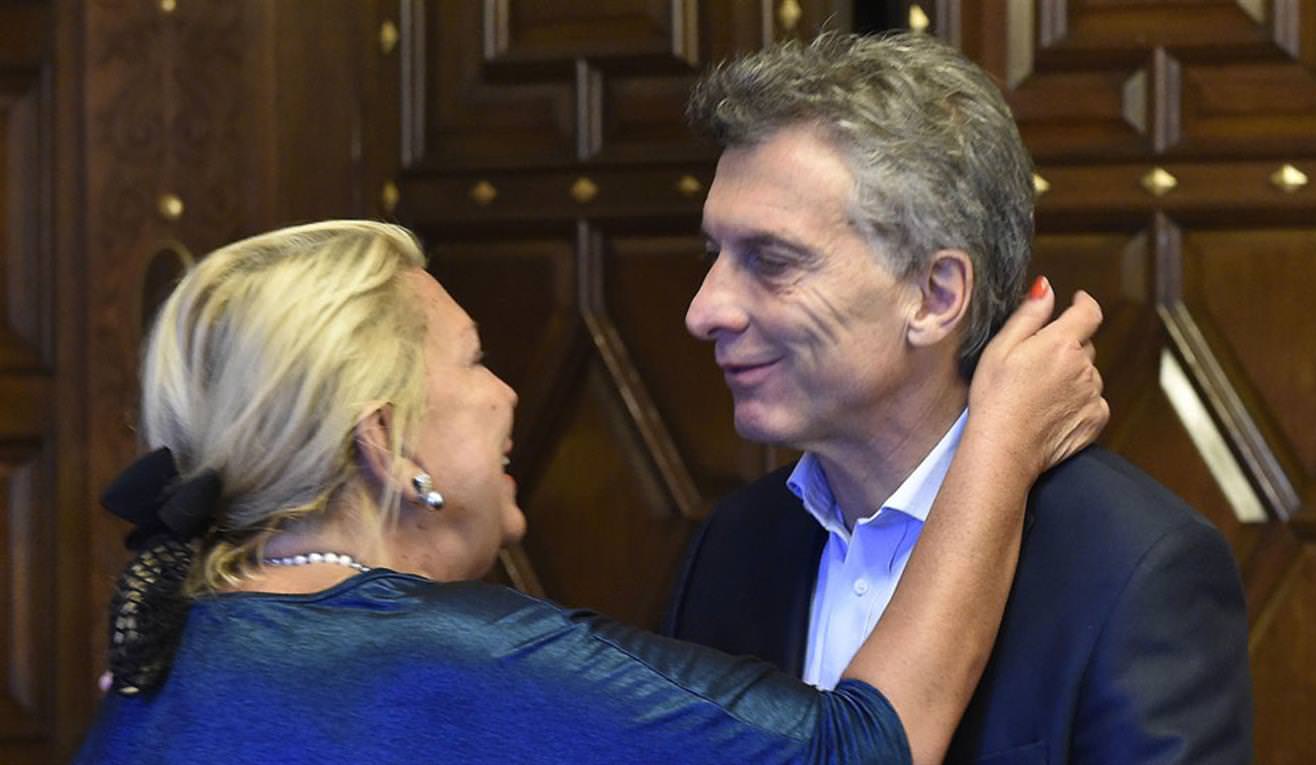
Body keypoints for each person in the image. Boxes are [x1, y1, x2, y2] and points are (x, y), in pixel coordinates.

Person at [76, 220, 1105, 764]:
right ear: (386, 441)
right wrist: (999, 442)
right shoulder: (433, 654)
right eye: (475, 360)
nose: (506, 393)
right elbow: (861, 752)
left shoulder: (174, 649)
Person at [665, 31, 1252, 764]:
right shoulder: (732, 549)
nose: (704, 309)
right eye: (714, 254)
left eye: (771, 260)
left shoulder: (1134, 566)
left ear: (936, 295)